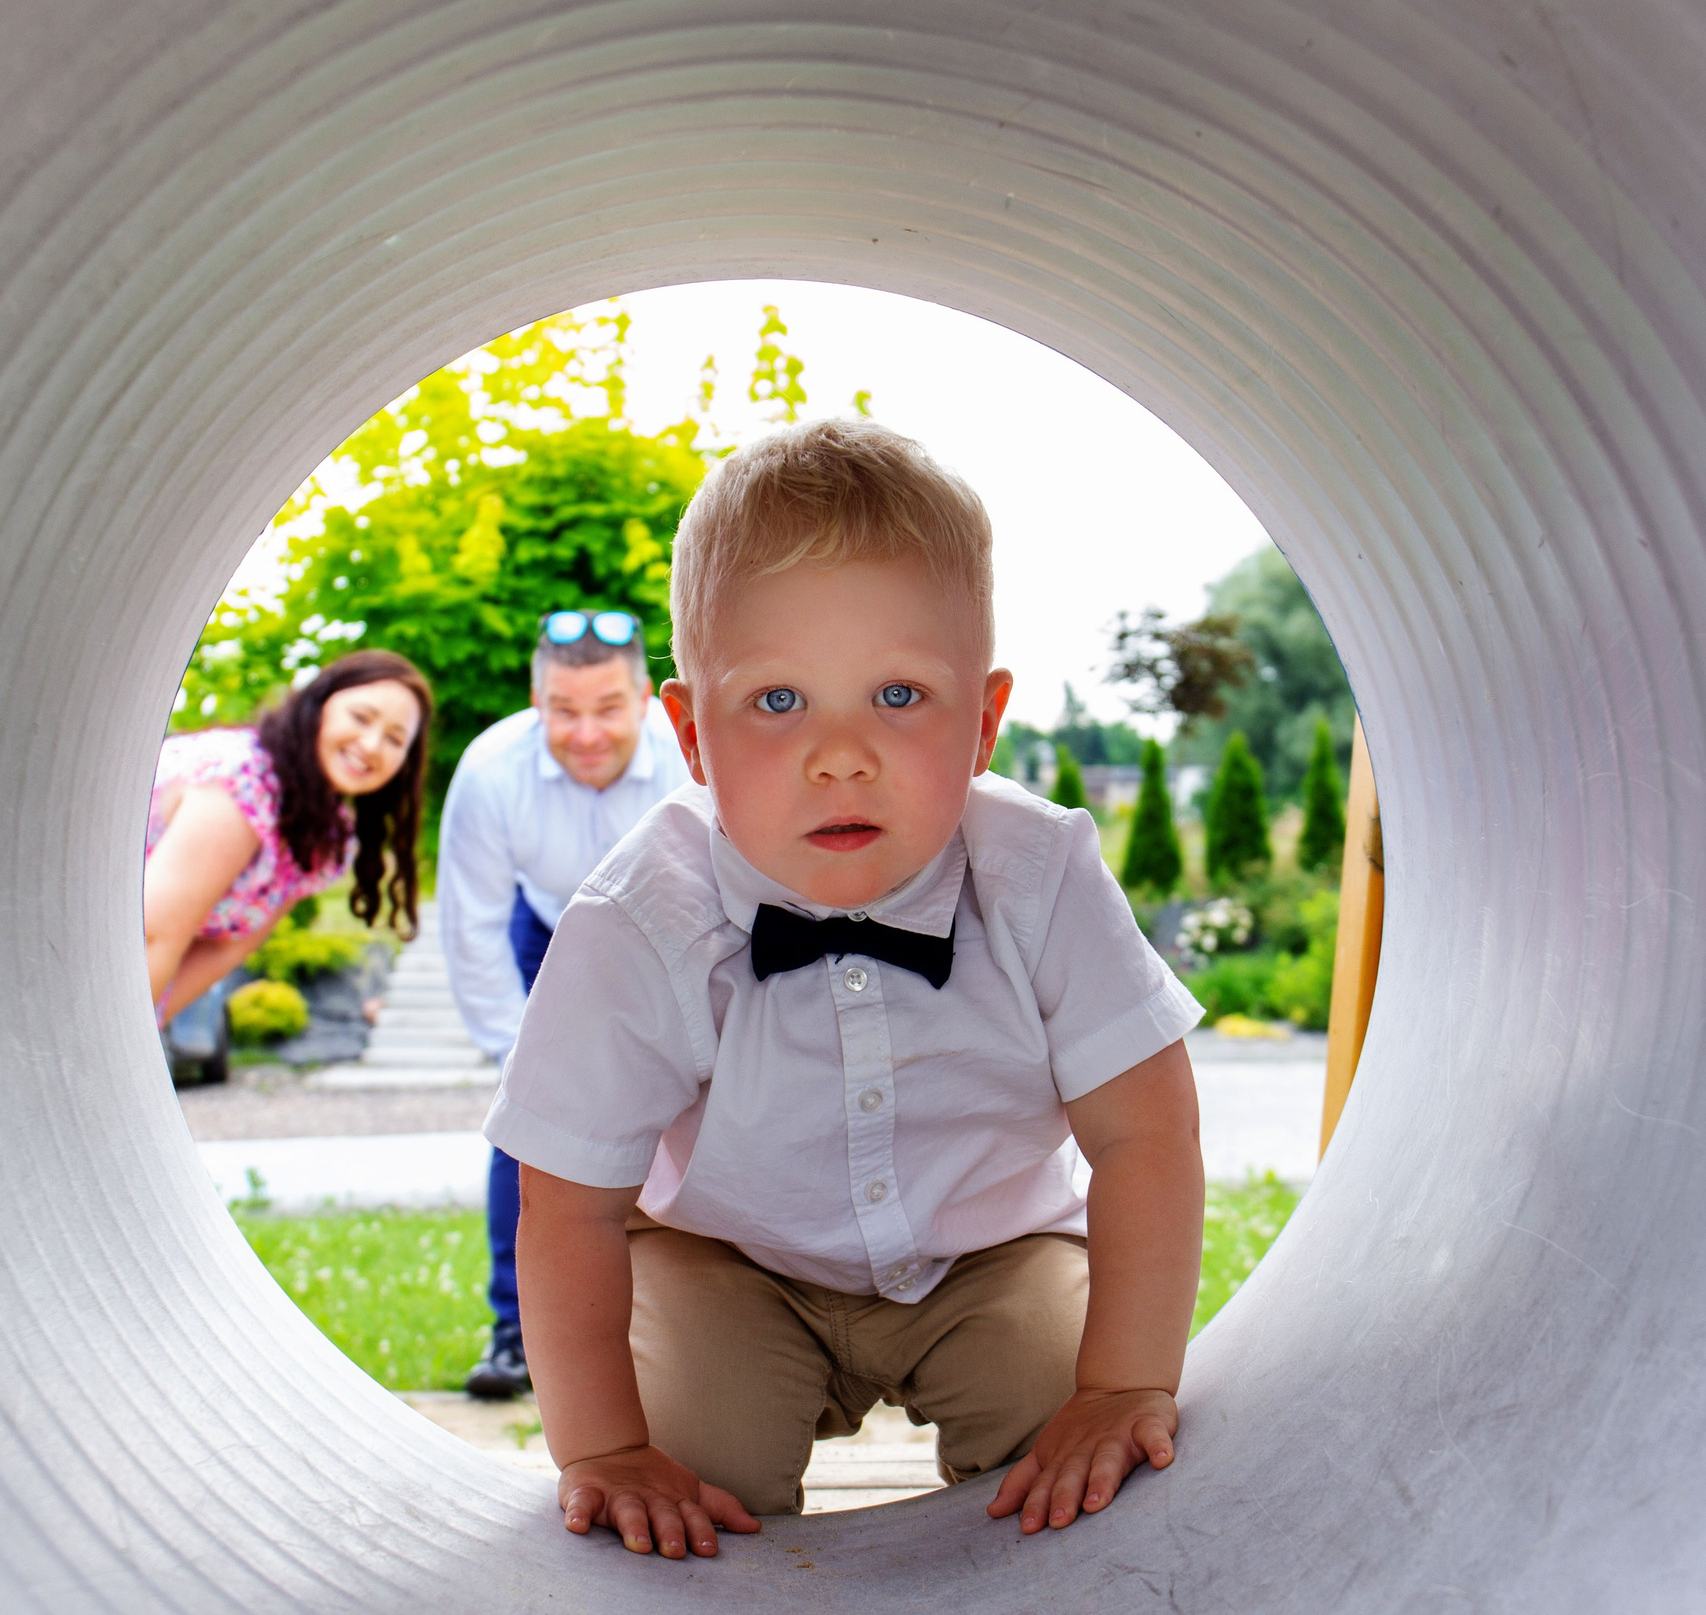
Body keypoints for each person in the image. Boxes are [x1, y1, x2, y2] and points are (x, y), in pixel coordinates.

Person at [488, 419, 1206, 1561]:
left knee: (1075, 1428)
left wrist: (1122, 1382)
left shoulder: (1039, 870)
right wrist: (601, 1449)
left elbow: (1146, 1133)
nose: (840, 754)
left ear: (984, 720)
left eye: (899, 696)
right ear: (687, 732)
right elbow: (564, 1202)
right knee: (682, 1464)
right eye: (777, 702)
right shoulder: (638, 919)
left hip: (991, 1248)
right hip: (729, 1256)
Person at [437, 609, 691, 1399]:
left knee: (702, 1116)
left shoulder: (691, 760)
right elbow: (471, 928)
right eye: (564, 711)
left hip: (670, 928)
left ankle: (689, 1321)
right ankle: (515, 1331)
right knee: (531, 1129)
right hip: (544, 930)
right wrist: (527, 1071)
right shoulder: (489, 771)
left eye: (608, 708)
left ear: (646, 698)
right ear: (535, 699)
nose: (586, 733)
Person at [145, 650, 432, 1077]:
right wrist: (111, 1048)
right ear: (320, 705)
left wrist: (148, 1028)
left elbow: (226, 948)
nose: (371, 745)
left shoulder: (320, 839)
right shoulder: (242, 782)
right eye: (361, 717)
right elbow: (151, 937)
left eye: (394, 739)